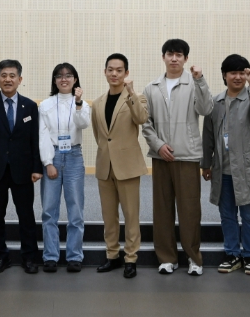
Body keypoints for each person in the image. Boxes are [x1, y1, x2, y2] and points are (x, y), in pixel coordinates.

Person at [142, 39, 213, 277]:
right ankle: (166, 258)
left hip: (188, 156)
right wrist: (158, 145)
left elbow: (206, 109)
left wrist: (200, 80)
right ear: (163, 57)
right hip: (161, 157)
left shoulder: (194, 83)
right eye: (170, 54)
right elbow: (146, 123)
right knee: (162, 209)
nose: (174, 58)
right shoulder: (151, 88)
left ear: (186, 59)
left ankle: (194, 258)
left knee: (189, 210)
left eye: (179, 55)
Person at [201, 54, 250, 276]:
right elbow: (208, 136)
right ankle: (232, 254)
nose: (238, 77)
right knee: (227, 215)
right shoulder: (215, 103)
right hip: (223, 169)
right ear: (225, 75)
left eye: (242, 72)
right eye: (233, 73)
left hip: (248, 170)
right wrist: (206, 163)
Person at [0, 59, 43, 274]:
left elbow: (35, 139)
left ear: (20, 79)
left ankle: (29, 257)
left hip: (22, 169)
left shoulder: (30, 106)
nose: (8, 79)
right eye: (3, 75)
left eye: (12, 76)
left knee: (26, 215)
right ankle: (0, 257)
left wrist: (37, 167)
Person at [91, 53, 148, 279]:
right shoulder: (97, 102)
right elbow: (99, 135)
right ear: (105, 72)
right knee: (109, 216)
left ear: (126, 73)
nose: (114, 73)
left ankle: (131, 258)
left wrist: (131, 93)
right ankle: (112, 255)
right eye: (110, 69)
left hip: (128, 166)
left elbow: (142, 119)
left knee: (131, 215)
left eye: (119, 70)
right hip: (105, 165)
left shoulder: (137, 97)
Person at [38, 63, 91, 273]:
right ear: (54, 80)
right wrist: (48, 162)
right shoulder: (45, 105)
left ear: (75, 79)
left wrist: (78, 103)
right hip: (53, 154)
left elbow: (83, 124)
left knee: (75, 209)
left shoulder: (82, 104)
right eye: (59, 76)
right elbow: (42, 135)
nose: (64, 79)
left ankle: (74, 256)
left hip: (74, 156)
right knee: (49, 210)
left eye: (68, 75)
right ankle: (50, 255)